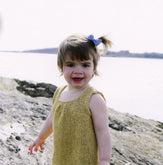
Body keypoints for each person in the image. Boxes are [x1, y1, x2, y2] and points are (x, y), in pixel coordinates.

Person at [29, 34, 112, 165]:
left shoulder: (94, 98)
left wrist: (104, 160)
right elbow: (52, 118)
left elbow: (103, 132)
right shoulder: (59, 92)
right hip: (61, 157)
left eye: (85, 65)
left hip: (84, 160)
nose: (78, 71)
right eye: (71, 64)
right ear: (60, 66)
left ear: (94, 68)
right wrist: (41, 137)